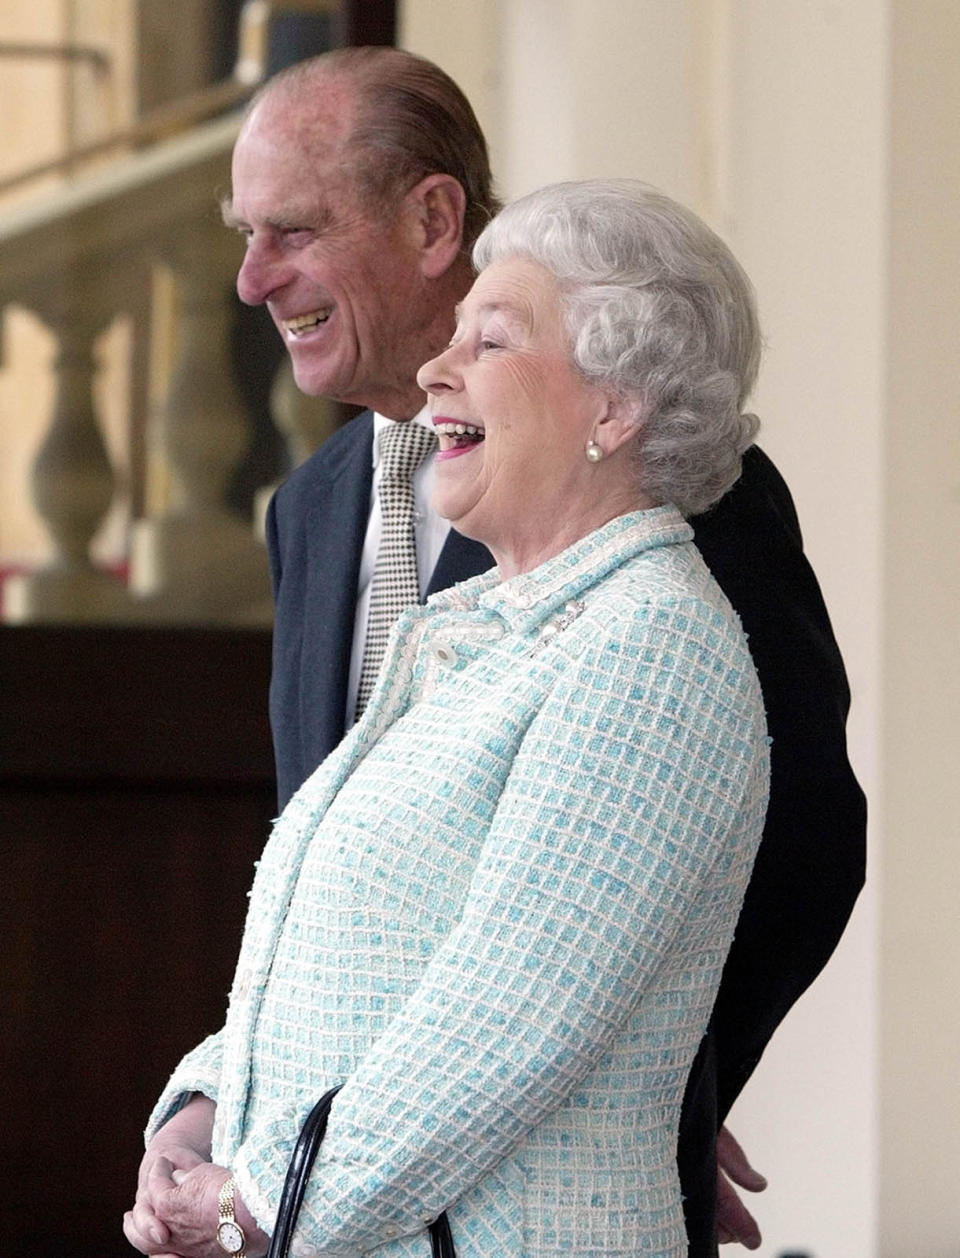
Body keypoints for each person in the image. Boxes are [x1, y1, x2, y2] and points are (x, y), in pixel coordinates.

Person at [224, 47, 865, 1254]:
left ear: (432, 219)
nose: (254, 278)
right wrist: (223, 1107)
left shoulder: (674, 512)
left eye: (294, 230)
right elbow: (343, 882)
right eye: (245, 233)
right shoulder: (304, 513)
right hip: (340, 1193)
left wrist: (650, 1085)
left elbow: (804, 838)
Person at [126, 176, 772, 1258]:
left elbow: (499, 1032)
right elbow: (359, 969)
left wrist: (250, 1208)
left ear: (615, 406)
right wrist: (199, 1111)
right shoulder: (483, 634)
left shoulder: (652, 648)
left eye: (494, 339)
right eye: (455, 333)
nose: (437, 369)